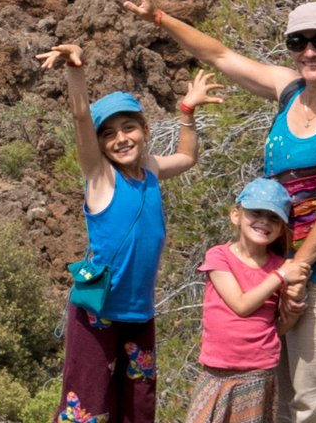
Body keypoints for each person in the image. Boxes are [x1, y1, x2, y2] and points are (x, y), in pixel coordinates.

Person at [117, 0, 316, 423]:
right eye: (299, 42)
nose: (310, 52)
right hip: (274, 272)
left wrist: (300, 268)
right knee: (275, 404)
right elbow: (218, 55)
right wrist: (158, 16)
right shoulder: (288, 89)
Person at [37, 44, 219, 423]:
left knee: (137, 404)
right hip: (96, 312)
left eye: (129, 127)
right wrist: (76, 71)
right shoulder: (101, 177)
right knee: (86, 405)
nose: (120, 139)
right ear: (100, 145)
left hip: (139, 313)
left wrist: (187, 111)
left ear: (145, 130)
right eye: (109, 134)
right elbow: (81, 118)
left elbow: (186, 158)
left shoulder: (150, 170)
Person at [188, 179, 296, 423]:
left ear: (281, 228)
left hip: (258, 372)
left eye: (274, 217)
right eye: (256, 212)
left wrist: (294, 312)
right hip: (216, 370)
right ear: (236, 215)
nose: (264, 221)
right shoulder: (219, 256)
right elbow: (241, 305)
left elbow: (276, 326)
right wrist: (281, 277)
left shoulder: (279, 266)